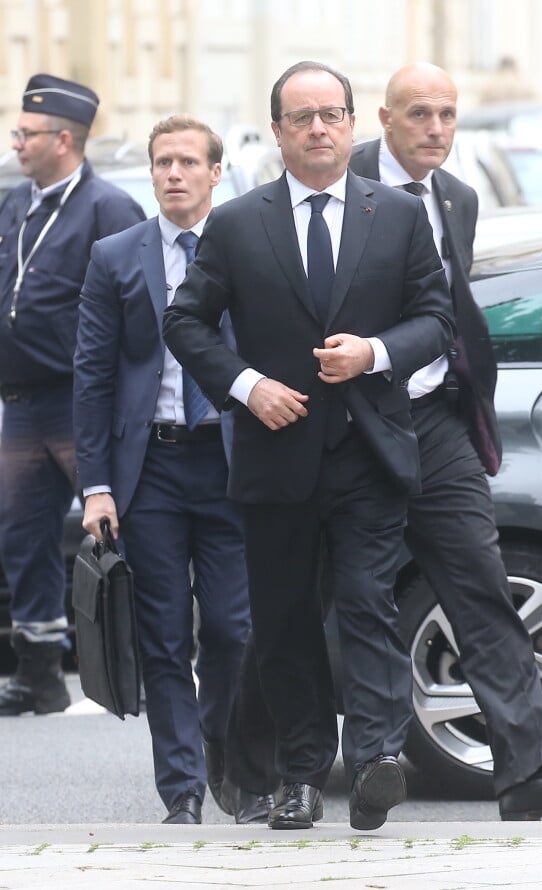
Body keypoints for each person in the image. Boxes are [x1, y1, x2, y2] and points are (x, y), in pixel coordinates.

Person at [220, 60, 542, 824]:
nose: (438, 131)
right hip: (335, 429)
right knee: (300, 601)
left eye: (449, 115)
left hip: (434, 419)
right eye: (421, 114)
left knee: (478, 585)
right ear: (378, 119)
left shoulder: (456, 195)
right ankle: (263, 767)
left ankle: (524, 773)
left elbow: (444, 310)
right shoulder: (328, 178)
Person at [163, 60, 455, 831]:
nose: (319, 128)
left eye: (331, 114)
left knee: (366, 603)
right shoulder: (235, 223)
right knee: (286, 621)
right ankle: (299, 778)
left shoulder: (394, 215)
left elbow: (437, 319)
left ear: (354, 124)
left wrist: (376, 352)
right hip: (274, 451)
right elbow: (185, 322)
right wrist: (245, 384)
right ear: (280, 132)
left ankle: (376, 760)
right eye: (302, 118)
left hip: (369, 448)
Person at [72, 114, 270, 825]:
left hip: (230, 463)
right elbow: (91, 375)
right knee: (161, 635)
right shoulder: (115, 256)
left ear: (217, 172)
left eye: (188, 162)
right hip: (149, 468)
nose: (174, 174)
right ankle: (181, 790)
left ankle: (222, 752)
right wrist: (96, 485)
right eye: (163, 163)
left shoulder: (250, 246)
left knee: (230, 630)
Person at [0, 74, 145, 717]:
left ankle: (133, 659)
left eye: (26, 135)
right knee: (23, 535)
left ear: (63, 139)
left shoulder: (108, 208)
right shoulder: (14, 203)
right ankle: (39, 671)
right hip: (23, 402)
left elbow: (136, 310)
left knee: (116, 528)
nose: (16, 143)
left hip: (80, 402)